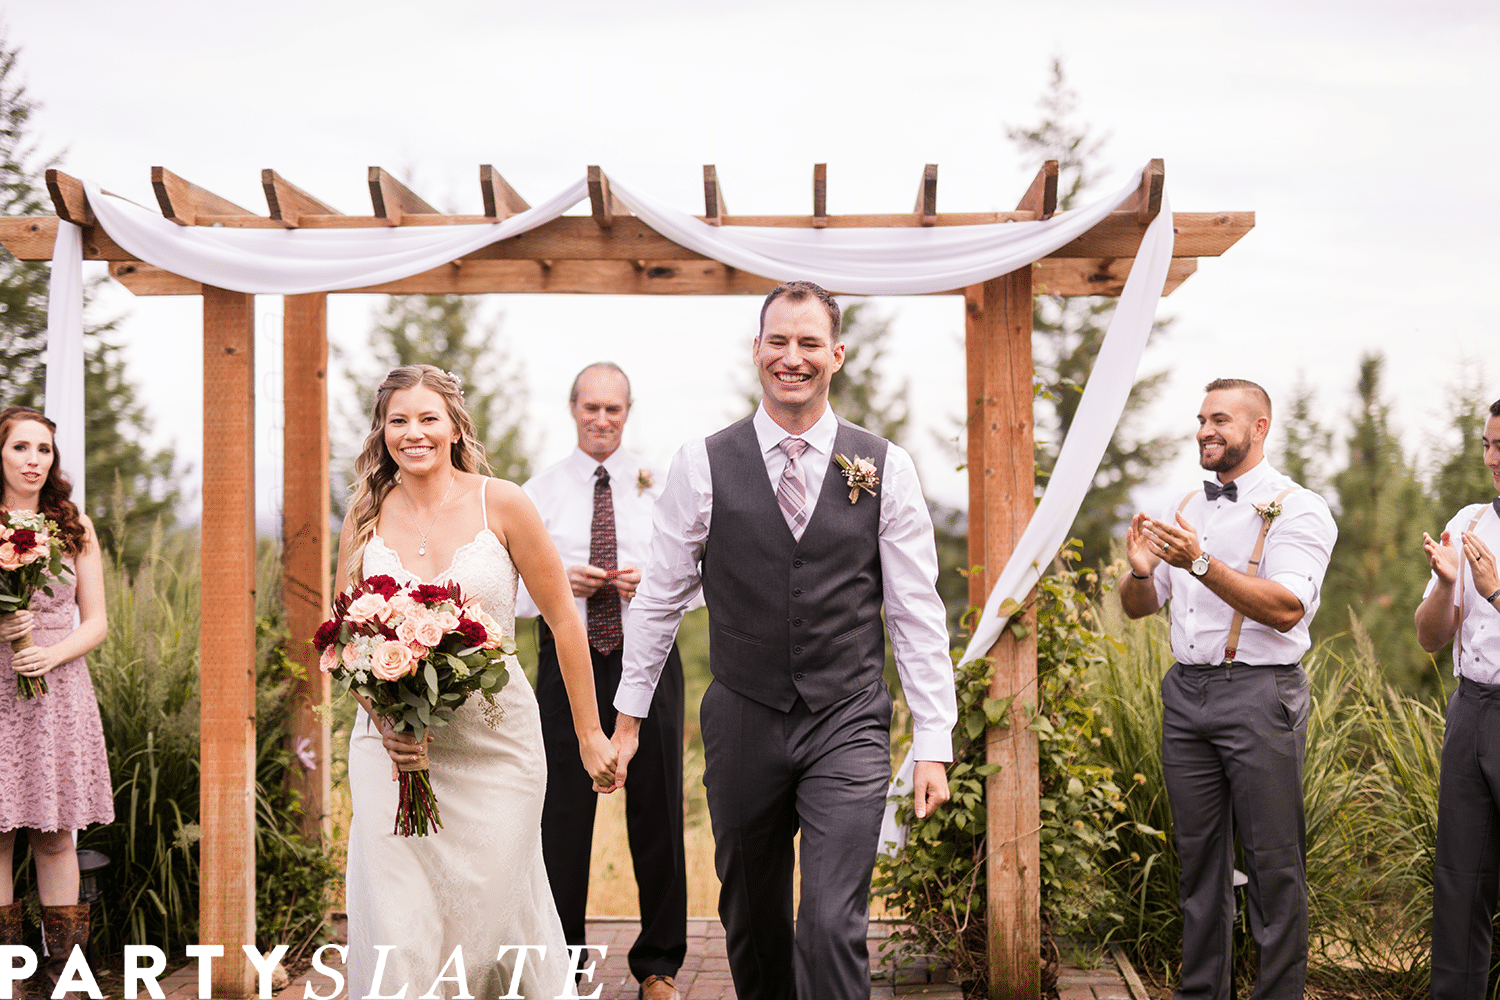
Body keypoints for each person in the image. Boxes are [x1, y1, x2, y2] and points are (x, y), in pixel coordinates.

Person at [608, 281, 957, 1000]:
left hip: (847, 717)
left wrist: (933, 740)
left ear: (837, 354)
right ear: (756, 349)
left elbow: (915, 611)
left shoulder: (885, 467)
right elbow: (661, 598)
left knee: (830, 921)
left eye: (808, 343)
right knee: (752, 915)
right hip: (743, 713)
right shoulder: (702, 463)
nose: (791, 357)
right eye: (778, 341)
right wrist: (628, 719)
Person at [338, 365, 617, 1000]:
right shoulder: (365, 514)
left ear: (455, 427)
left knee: (487, 929)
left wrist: (590, 735)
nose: (414, 433)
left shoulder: (504, 503)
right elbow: (344, 637)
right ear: (382, 431)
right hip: (391, 754)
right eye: (398, 420)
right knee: (402, 926)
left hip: (495, 748)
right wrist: (386, 722)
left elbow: (564, 623)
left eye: (428, 418)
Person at [1118, 378, 1336, 1000]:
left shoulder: (1298, 507)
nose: (1205, 431)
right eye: (1201, 419)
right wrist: (1140, 572)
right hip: (1185, 695)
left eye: (1220, 419)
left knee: (1273, 867)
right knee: (1199, 866)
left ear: (1259, 428)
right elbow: (1138, 606)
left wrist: (1199, 562)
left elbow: (1288, 608)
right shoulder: (1184, 503)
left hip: (1260, 695)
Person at [516, 363, 687, 1000]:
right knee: (561, 812)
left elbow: (698, 579)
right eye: (591, 407)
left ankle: (660, 966)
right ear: (572, 409)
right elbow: (508, 592)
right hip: (568, 663)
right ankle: (562, 963)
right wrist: (558, 586)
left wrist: (656, 586)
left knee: (658, 809)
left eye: (613, 409)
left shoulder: (664, 486)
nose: (602, 420)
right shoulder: (536, 493)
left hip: (649, 657)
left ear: (627, 412)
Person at [0, 406, 111, 996]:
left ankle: (67, 973)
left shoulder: (73, 526)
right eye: (20, 448)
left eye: (43, 449)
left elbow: (97, 622)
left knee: (55, 833)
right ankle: (8, 977)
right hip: (0, 686)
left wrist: (50, 654)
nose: (33, 460)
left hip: (57, 689)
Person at [1416, 397, 1500, 1000]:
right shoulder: (1468, 521)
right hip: (1472, 711)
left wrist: (1495, 593)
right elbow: (1429, 637)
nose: (1493, 459)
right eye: (1488, 446)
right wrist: (1448, 586)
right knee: (1459, 883)